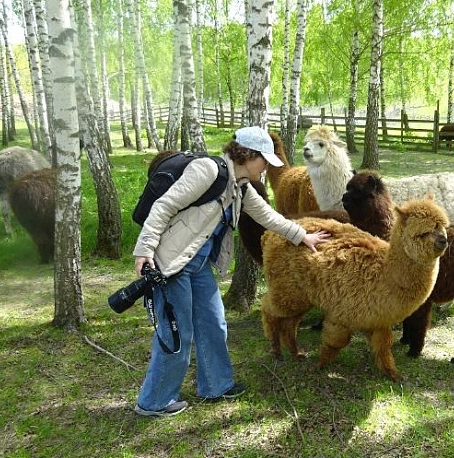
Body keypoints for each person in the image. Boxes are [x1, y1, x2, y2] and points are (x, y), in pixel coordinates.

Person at [132, 126, 330, 417]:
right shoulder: (208, 171)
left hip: (198, 265)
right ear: (248, 155)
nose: (265, 169)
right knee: (178, 332)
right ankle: (154, 401)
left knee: (214, 321)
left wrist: (302, 235)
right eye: (264, 161)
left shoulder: (240, 186)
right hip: (172, 263)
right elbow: (163, 207)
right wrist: (145, 250)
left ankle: (216, 385)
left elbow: (267, 216)